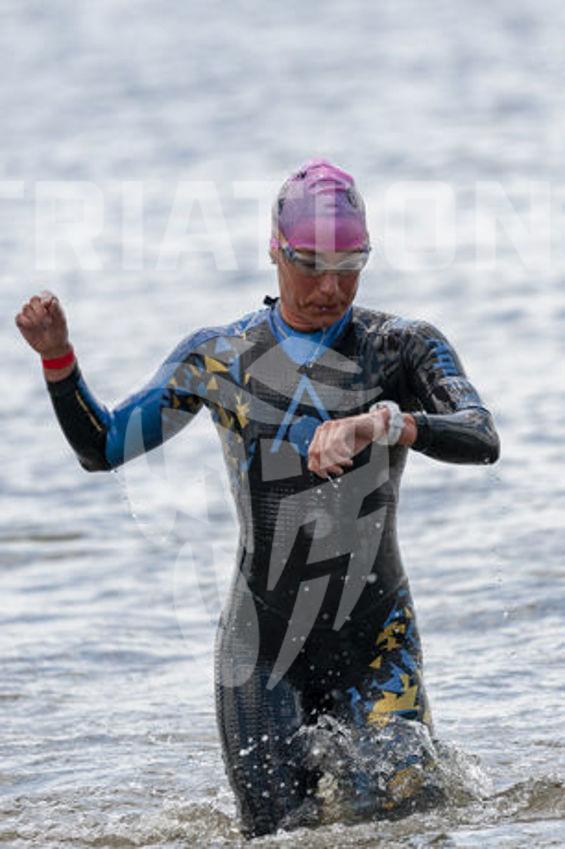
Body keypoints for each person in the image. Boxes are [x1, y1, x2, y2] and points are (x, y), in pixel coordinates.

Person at [15, 159, 500, 838]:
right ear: (274, 250)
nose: (331, 286)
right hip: (261, 656)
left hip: (376, 642)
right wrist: (58, 361)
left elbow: (480, 435)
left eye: (350, 266)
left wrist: (384, 422)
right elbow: (103, 448)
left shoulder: (400, 348)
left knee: (411, 822)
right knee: (277, 837)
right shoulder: (220, 359)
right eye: (310, 265)